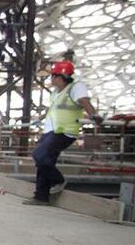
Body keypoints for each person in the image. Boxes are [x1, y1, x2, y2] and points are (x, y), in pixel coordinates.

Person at [24, 60, 103, 205]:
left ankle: (58, 179)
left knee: (39, 156)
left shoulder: (76, 87)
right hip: (50, 130)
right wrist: (39, 119)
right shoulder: (56, 92)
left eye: (52, 76)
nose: (50, 79)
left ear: (59, 76)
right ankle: (41, 197)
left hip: (64, 131)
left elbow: (84, 101)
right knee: (43, 163)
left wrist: (94, 115)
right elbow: (53, 109)